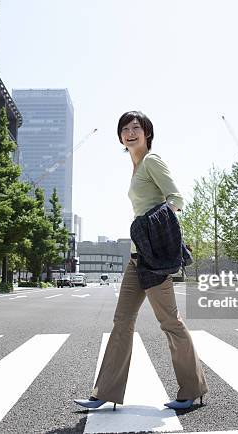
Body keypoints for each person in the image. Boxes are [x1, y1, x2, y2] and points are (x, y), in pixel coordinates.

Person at [74, 111, 208, 411]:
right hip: (137, 259)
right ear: (120, 137)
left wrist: (157, 224)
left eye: (136, 127)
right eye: (125, 128)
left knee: (170, 323)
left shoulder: (151, 161)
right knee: (122, 321)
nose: (130, 132)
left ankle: (192, 389)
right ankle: (104, 392)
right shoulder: (135, 168)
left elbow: (177, 198)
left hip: (154, 259)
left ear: (147, 132)